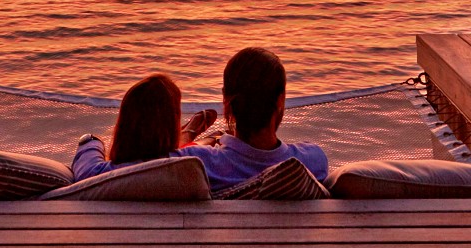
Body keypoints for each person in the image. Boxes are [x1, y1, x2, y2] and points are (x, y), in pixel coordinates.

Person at [176, 47, 329, 189]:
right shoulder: (313, 161)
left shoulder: (200, 163)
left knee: (183, 143)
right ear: (280, 101)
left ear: (225, 99)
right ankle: (214, 137)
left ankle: (189, 134)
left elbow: (158, 161)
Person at [72, 73, 217, 180]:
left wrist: (93, 140)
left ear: (123, 126)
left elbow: (87, 149)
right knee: (215, 137)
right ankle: (185, 136)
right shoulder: (192, 163)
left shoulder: (102, 175)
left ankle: (185, 135)